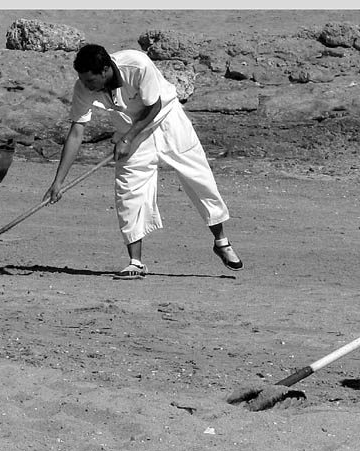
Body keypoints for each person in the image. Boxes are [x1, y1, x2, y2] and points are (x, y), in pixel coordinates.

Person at [44, 43, 243, 279]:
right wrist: (58, 182)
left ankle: (221, 242)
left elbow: (154, 105)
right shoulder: (83, 87)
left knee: (198, 178)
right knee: (128, 191)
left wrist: (127, 139)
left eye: (91, 81)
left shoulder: (136, 63)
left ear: (106, 70)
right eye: (84, 81)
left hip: (166, 119)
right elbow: (76, 132)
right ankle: (135, 263)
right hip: (130, 129)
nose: (87, 86)